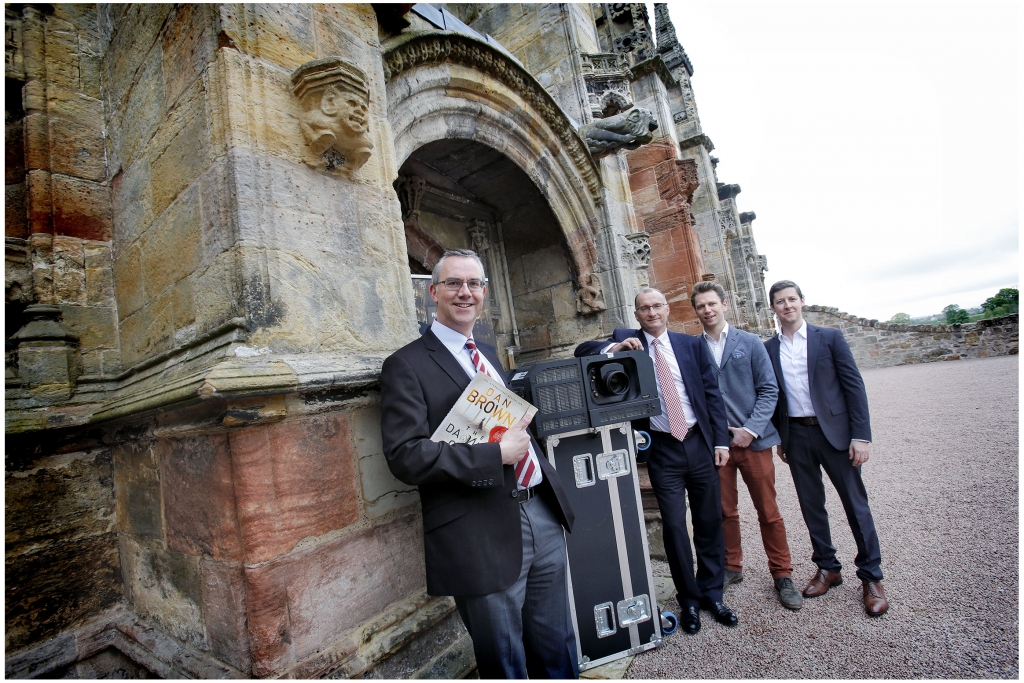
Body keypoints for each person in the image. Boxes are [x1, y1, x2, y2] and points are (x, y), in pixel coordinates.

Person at [380, 249, 578, 678]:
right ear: (433, 292)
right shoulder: (405, 365)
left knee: (558, 643)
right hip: (478, 531)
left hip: (541, 511)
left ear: (485, 292)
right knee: (504, 660)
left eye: (474, 284)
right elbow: (405, 456)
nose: (465, 292)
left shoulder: (488, 353)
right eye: (453, 283)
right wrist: (494, 454)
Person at [575, 288, 735, 635]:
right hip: (662, 450)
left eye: (656, 306)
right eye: (644, 308)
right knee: (676, 527)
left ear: (667, 309)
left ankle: (713, 593)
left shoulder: (691, 345)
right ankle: (689, 599)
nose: (651, 313)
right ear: (637, 314)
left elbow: (712, 395)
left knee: (710, 521)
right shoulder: (626, 340)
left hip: (698, 443)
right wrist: (613, 349)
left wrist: (721, 440)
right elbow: (581, 351)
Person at [764, 280, 889, 616]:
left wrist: (861, 435)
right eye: (780, 301)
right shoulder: (769, 348)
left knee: (855, 505)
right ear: (773, 307)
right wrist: (781, 438)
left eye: (792, 299)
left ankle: (871, 577)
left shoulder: (829, 337)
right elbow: (773, 396)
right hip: (797, 437)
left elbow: (853, 386)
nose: (787, 305)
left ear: (802, 302)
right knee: (811, 506)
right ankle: (828, 567)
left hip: (835, 434)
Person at [690, 281, 802, 611]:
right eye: (701, 306)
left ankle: (782, 574)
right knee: (725, 511)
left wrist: (750, 430)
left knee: (768, 511)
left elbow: (769, 391)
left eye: (712, 303)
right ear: (696, 311)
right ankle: (732, 567)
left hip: (753, 444)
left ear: (724, 304)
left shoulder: (750, 343)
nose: (707, 310)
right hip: (717, 447)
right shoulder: (693, 349)